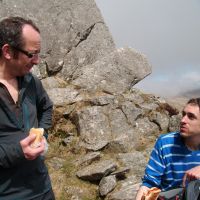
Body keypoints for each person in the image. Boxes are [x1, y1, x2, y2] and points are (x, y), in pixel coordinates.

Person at [0, 16, 55, 200]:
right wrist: (18, 151)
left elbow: (46, 107)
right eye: (31, 54)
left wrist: (43, 133)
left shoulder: (31, 82)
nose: (37, 61)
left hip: (43, 189)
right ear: (8, 51)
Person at [136, 98, 200, 200]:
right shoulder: (165, 143)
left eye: (191, 117)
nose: (183, 120)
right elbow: (149, 183)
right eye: (183, 114)